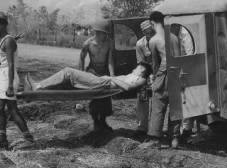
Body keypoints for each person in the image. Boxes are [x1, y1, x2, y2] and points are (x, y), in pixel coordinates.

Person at [0, 11, 34, 150]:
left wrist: (10, 86)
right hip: (3, 75)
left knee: (12, 110)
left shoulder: (8, 41)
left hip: (8, 77)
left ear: (2, 24)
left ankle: (28, 139)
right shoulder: (3, 40)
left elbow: (12, 64)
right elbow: (4, 59)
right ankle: (2, 139)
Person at [142, 11, 181, 149]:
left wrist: (154, 79)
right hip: (177, 73)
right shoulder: (174, 37)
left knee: (158, 104)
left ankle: (154, 138)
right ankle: (174, 139)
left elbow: (155, 64)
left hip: (164, 73)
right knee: (175, 106)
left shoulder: (154, 40)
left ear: (152, 23)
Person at [79, 20, 115, 132]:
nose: (105, 35)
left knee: (105, 96)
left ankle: (103, 121)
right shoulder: (87, 44)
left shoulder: (109, 42)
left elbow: (110, 61)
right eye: (104, 33)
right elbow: (81, 59)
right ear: (97, 32)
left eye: (106, 33)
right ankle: (96, 122)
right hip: (92, 71)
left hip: (105, 72)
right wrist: (81, 75)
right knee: (95, 96)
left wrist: (113, 77)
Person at [24, 62, 152, 92]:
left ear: (143, 72)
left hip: (105, 83)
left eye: (140, 68)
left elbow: (127, 87)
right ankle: (40, 85)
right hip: (103, 81)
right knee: (68, 75)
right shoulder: (133, 75)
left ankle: (37, 86)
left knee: (68, 71)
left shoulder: (140, 79)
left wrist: (111, 78)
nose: (137, 68)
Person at [135, 20, 155, 136]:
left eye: (151, 31)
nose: (149, 33)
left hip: (158, 72)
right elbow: (141, 63)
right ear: (143, 32)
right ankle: (141, 127)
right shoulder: (140, 44)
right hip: (145, 71)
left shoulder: (158, 41)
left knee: (157, 101)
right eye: (147, 32)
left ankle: (154, 128)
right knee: (142, 98)